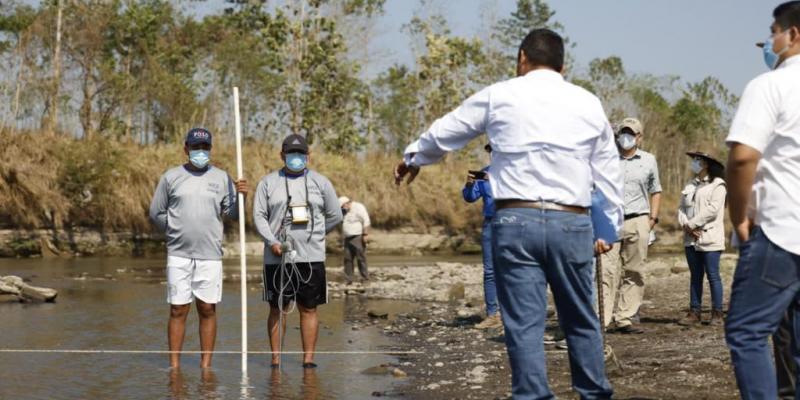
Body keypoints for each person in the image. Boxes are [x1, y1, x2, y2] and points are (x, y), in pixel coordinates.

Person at [394, 28, 622, 400]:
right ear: (563, 65)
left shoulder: (500, 94)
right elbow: (608, 170)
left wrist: (413, 157)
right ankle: (594, 394)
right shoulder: (587, 102)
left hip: (516, 221)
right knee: (581, 318)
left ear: (521, 58)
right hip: (572, 221)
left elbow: (449, 129)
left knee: (525, 326)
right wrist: (608, 227)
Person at [724, 2, 800, 398]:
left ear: (793, 35)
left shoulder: (771, 85)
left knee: (747, 332)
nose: (770, 41)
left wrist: (739, 218)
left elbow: (742, 157)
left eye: (773, 32)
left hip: (782, 230)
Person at [149, 127, 249, 369]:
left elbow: (234, 215)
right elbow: (156, 212)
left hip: (210, 256)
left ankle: (206, 366)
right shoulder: (171, 177)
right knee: (178, 309)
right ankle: (174, 365)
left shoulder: (222, 178)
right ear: (186, 149)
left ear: (210, 150)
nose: (200, 152)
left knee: (207, 308)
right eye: (196, 148)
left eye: (205, 148)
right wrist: (173, 232)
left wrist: (242, 196)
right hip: (179, 254)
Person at [253, 134, 342, 369]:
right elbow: (259, 216)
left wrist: (318, 234)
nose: (296, 158)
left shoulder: (321, 182)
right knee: (277, 307)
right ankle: (275, 359)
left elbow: (335, 214)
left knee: (309, 308)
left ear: (308, 156)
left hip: (311, 257)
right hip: (277, 258)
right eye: (291, 154)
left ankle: (308, 359)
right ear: (282, 155)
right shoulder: (267, 183)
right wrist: (271, 241)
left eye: (300, 154)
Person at [600, 117, 661, 334]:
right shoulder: (606, 159)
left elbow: (656, 190)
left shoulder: (649, 160)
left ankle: (624, 317)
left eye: (631, 133)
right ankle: (603, 318)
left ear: (639, 137)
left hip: (639, 219)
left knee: (634, 270)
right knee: (606, 270)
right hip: (610, 219)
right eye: (622, 133)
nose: (626, 137)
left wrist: (652, 219)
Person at [676, 151, 727, 326]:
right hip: (691, 239)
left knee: (713, 275)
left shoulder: (718, 185)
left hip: (710, 237)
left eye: (697, 160)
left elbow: (712, 209)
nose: (694, 163)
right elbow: (681, 208)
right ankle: (694, 312)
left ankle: (717, 314)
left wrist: (694, 224)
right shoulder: (690, 185)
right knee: (695, 276)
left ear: (706, 164)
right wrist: (686, 225)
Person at [462, 144, 501, 330]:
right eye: (491, 151)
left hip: (514, 222)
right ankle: (493, 314)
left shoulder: (517, 172)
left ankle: (514, 313)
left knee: (515, 268)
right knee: (490, 270)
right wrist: (469, 184)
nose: (494, 154)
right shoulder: (483, 174)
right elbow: (470, 197)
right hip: (490, 224)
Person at [338, 196, 371, 284]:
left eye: (342, 206)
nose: (342, 208)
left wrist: (365, 234)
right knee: (347, 259)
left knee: (361, 258)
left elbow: (366, 221)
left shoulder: (359, 207)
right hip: (347, 238)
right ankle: (348, 280)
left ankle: (365, 279)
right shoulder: (344, 211)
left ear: (347, 203)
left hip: (358, 236)